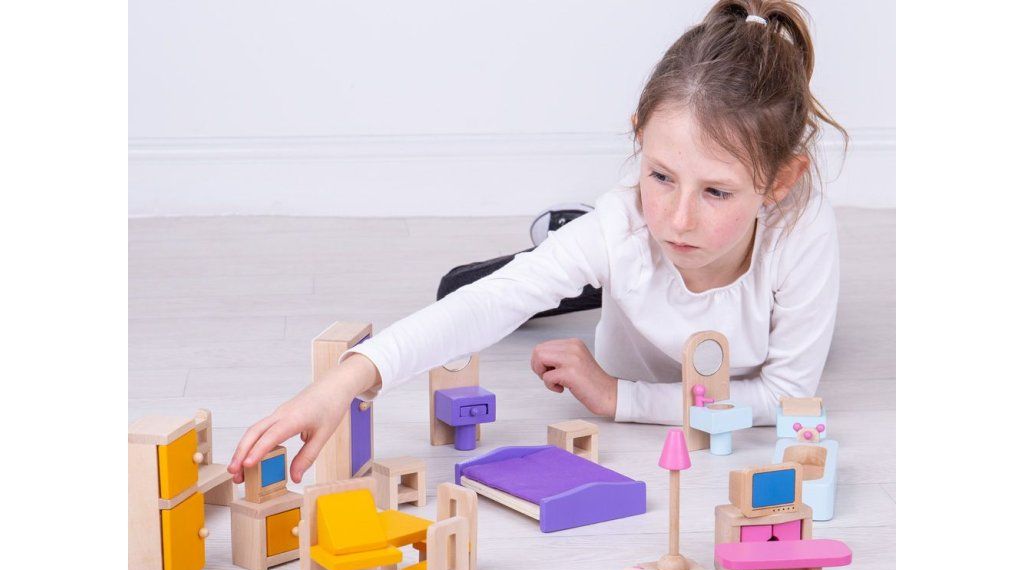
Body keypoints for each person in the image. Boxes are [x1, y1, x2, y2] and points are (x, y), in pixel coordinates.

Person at [229, 0, 845, 485]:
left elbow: (785, 396)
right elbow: (487, 304)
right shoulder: (626, 224)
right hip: (617, 254)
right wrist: (342, 383)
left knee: (594, 255)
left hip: (636, 301)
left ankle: (569, 247)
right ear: (638, 139)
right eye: (660, 176)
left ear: (778, 183)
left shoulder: (803, 230)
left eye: (716, 192)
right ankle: (564, 244)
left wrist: (616, 396)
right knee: (467, 289)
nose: (679, 220)